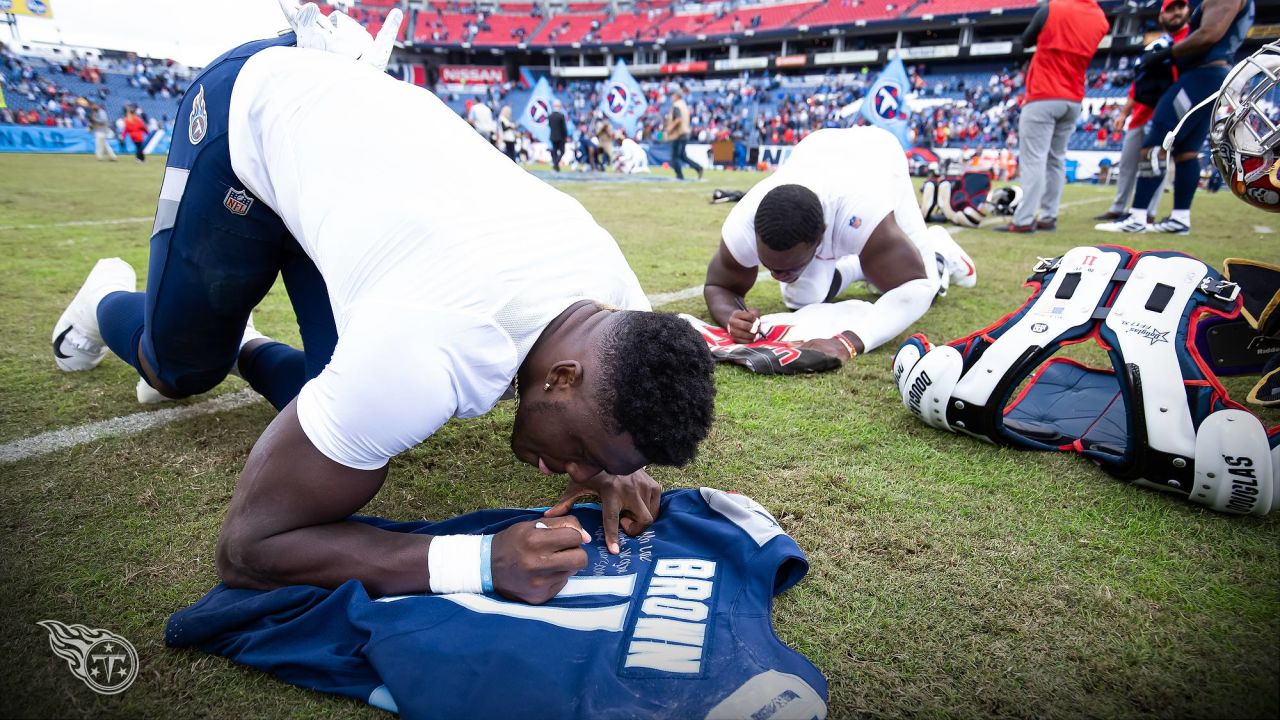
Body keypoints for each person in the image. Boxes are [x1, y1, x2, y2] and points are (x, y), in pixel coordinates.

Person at [50, 10, 716, 604]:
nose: (577, 472)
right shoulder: (428, 350)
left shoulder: (615, 299)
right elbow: (248, 549)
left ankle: (250, 344)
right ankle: (102, 297)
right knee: (180, 371)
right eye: (581, 450)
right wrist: (480, 561)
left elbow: (630, 382)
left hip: (361, 164)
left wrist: (619, 464)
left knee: (328, 399)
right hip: (254, 111)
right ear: (562, 377)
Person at [702, 127, 977, 363]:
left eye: (787, 268)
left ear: (821, 236)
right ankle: (864, 266)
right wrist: (731, 317)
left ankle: (939, 250)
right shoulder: (744, 222)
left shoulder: (865, 213)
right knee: (800, 299)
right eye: (770, 266)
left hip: (877, 158)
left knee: (929, 287)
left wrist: (848, 342)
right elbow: (719, 285)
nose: (776, 276)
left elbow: (916, 288)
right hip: (816, 149)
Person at [1096, 0, 1254, 235]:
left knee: (1156, 141)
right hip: (1214, 76)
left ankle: (1138, 215)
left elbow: (1209, 34)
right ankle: (1180, 218)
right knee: (1186, 151)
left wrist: (1167, 54)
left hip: (1201, 75)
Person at [996, 0, 1109, 233]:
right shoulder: (1100, 19)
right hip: (1074, 96)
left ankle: (1024, 219)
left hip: (1044, 93)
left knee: (1034, 160)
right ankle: (1048, 216)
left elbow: (1026, 40)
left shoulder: (1053, 7)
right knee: (1056, 160)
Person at [1095, 0, 1191, 224]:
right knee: (1129, 163)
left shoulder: (1192, 39)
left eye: (1180, 7)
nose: (1176, 12)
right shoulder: (1159, 42)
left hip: (1167, 114)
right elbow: (1137, 85)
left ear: (1187, 10)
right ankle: (1118, 208)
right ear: (1161, 15)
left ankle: (1147, 212)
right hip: (1141, 114)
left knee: (1156, 163)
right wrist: (1123, 113)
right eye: (1170, 9)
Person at [665, 88, 703, 181]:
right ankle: (698, 167)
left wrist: (670, 127)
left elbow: (678, 119)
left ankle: (679, 175)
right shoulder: (684, 105)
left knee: (674, 157)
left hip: (678, 134)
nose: (671, 97)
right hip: (685, 133)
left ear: (677, 96)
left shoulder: (677, 105)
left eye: (673, 95)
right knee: (682, 156)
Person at [548, 99, 568, 172]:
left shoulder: (550, 116)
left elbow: (549, 125)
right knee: (562, 151)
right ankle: (556, 164)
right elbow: (564, 128)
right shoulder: (561, 116)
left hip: (553, 136)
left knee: (555, 151)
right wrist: (566, 136)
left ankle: (556, 166)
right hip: (560, 137)